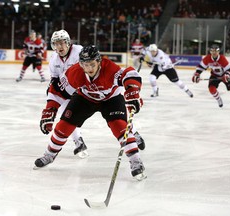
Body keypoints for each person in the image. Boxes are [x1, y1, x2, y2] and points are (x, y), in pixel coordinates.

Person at [34, 45, 147, 181]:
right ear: (80, 64)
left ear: (99, 61)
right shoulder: (75, 72)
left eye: (92, 64)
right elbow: (57, 91)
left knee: (120, 127)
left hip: (111, 99)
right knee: (63, 126)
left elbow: (130, 74)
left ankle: (136, 161)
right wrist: (50, 110)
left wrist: (132, 91)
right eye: (85, 65)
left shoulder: (109, 68)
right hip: (85, 98)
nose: (89, 69)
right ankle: (49, 155)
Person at [41, 29, 88, 158]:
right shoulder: (54, 59)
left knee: (110, 110)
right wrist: (53, 92)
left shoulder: (79, 51)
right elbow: (55, 80)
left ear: (68, 43)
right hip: (69, 93)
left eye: (62, 43)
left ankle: (132, 133)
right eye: (56, 44)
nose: (59, 46)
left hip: (87, 90)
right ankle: (79, 142)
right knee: (67, 116)